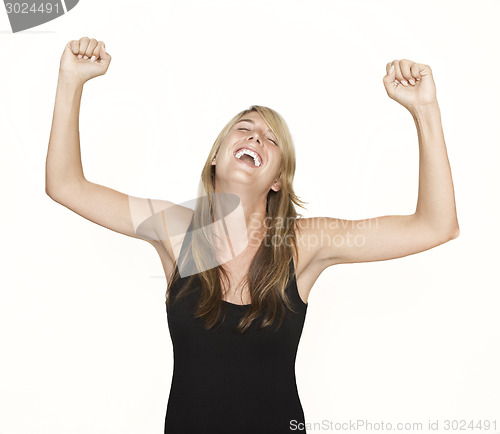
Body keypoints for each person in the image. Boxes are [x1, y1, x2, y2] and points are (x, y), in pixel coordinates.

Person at [46, 37, 460, 434]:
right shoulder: (175, 231)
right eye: (244, 129)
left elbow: (435, 226)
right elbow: (65, 184)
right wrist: (71, 79)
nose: (255, 138)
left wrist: (425, 110)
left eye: (271, 139)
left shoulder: (305, 243)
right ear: (215, 156)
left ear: (278, 179)